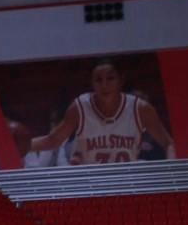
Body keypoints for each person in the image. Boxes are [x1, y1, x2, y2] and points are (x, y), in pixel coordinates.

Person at [27, 60, 174, 165]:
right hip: (90, 182)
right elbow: (53, 140)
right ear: (92, 83)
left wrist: (172, 174)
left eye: (110, 78)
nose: (104, 85)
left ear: (120, 80)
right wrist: (19, 146)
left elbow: (169, 143)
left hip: (127, 181)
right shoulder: (80, 107)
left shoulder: (140, 108)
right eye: (98, 80)